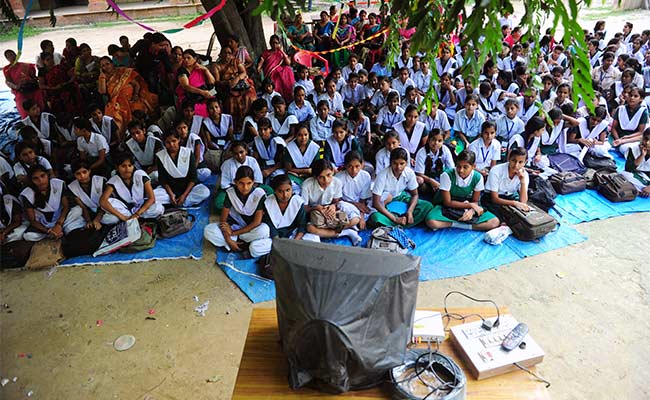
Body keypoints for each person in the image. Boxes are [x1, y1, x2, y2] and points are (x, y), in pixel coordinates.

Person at [425, 150, 500, 231]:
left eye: (465, 167)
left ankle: (455, 224)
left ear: (473, 167)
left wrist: (471, 211)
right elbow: (447, 202)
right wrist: (471, 206)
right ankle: (463, 225)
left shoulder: (478, 177)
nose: (461, 170)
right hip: (446, 206)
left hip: (466, 204)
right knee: (431, 221)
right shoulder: (447, 175)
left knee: (494, 222)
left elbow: (475, 201)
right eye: (458, 166)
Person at [204, 166, 270, 256]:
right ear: (235, 182)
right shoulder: (230, 193)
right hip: (235, 226)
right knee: (208, 231)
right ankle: (243, 245)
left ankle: (237, 243)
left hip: (251, 229)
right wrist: (228, 238)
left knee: (264, 230)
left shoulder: (259, 194)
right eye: (241, 183)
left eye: (249, 183)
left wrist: (233, 233)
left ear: (253, 182)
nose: (245, 187)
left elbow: (256, 222)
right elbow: (223, 220)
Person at [254, 174, 320, 262]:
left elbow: (302, 225)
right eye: (280, 191)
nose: (285, 195)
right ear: (275, 191)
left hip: (293, 235)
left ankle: (285, 250)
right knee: (254, 248)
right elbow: (270, 226)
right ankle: (287, 251)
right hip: (275, 238)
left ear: (292, 189)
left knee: (315, 239)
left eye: (288, 190)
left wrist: (294, 242)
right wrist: (279, 242)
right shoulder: (268, 202)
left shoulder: (297, 201)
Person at [301, 159, 362, 245]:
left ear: (333, 171)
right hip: (315, 214)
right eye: (321, 177)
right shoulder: (307, 185)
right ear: (315, 177)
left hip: (331, 211)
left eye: (328, 175)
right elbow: (304, 208)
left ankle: (325, 233)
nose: (326, 180)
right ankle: (347, 232)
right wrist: (316, 208)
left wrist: (333, 207)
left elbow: (336, 202)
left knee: (355, 220)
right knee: (310, 229)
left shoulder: (337, 182)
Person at [369, 148, 433, 228]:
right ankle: (401, 222)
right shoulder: (382, 175)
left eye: (402, 163)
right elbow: (376, 203)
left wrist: (410, 211)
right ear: (390, 162)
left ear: (406, 163)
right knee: (376, 217)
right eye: (395, 163)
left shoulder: (409, 173)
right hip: (385, 201)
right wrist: (395, 219)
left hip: (401, 197)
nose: (398, 167)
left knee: (427, 206)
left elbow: (415, 195)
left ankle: (399, 223)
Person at [98, 56, 159, 137]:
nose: (106, 67)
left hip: (132, 98)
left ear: (112, 64)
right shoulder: (103, 77)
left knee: (138, 108)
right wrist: (102, 76)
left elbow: (136, 84)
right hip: (117, 102)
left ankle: (143, 132)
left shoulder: (123, 71)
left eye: (107, 64)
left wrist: (136, 95)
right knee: (115, 114)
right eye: (103, 66)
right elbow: (102, 91)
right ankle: (124, 137)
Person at [20, 165, 84, 241]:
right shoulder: (27, 194)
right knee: (28, 236)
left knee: (77, 210)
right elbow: (32, 220)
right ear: (31, 180)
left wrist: (58, 225)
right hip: (42, 222)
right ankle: (58, 232)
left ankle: (60, 230)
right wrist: (48, 230)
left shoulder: (58, 184)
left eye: (42, 176)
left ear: (47, 175)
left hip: (60, 218)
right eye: (35, 178)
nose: (40, 180)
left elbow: (66, 207)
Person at [100, 153, 163, 225]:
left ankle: (134, 220)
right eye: (123, 166)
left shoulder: (140, 175)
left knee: (158, 208)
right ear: (117, 167)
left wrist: (137, 214)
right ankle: (132, 220)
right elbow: (103, 201)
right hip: (126, 211)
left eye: (130, 166)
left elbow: (152, 198)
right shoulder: (114, 180)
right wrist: (123, 217)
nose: (127, 169)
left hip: (142, 207)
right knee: (107, 218)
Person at [153, 131, 210, 207]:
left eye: (174, 141)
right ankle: (176, 200)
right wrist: (171, 195)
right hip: (171, 188)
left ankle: (181, 202)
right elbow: (163, 180)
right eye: (168, 142)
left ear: (179, 140)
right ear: (164, 143)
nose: (171, 145)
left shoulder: (187, 152)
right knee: (153, 195)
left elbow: (193, 178)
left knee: (205, 192)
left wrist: (184, 195)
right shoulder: (160, 156)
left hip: (187, 188)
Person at [212, 46, 256, 131]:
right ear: (220, 54)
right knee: (232, 101)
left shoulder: (236, 61)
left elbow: (243, 72)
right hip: (226, 88)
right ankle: (235, 126)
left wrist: (237, 79)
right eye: (224, 53)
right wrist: (228, 83)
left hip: (240, 86)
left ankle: (248, 122)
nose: (227, 55)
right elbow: (217, 82)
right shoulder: (217, 66)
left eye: (229, 53)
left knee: (249, 95)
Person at [482, 147, 530, 220]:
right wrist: (514, 203)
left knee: (523, 215)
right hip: (492, 198)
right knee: (500, 219)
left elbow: (523, 201)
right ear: (509, 159)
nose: (516, 165)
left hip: (509, 196)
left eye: (520, 162)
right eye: (514, 160)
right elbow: (494, 199)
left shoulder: (524, 174)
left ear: (525, 162)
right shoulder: (496, 170)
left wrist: (522, 181)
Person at [215, 141, 263, 211]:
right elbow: (225, 185)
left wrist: (248, 191)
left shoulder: (253, 161)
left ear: (246, 151)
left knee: (268, 191)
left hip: (250, 188)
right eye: (236, 154)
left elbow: (258, 180)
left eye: (241, 152)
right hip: (233, 189)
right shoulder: (227, 164)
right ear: (232, 154)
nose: (239, 156)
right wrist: (238, 193)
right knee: (219, 202)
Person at [38, 51, 82, 126]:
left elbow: (72, 76)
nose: (51, 61)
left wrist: (66, 83)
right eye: (48, 59)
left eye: (51, 59)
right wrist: (53, 88)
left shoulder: (60, 67)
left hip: (66, 90)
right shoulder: (42, 72)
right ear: (43, 61)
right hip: (53, 95)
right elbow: (41, 85)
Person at [336, 151, 372, 230]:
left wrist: (361, 215)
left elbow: (363, 200)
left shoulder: (365, 176)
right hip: (346, 204)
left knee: (373, 205)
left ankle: (353, 223)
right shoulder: (338, 178)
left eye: (357, 166)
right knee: (341, 205)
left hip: (360, 205)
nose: (354, 170)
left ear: (362, 165)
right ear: (345, 165)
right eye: (350, 166)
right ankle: (352, 224)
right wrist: (356, 204)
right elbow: (337, 199)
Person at [3, 49, 44, 118]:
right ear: (7, 59)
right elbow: (8, 82)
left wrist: (31, 80)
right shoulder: (7, 69)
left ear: (16, 55)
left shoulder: (27, 66)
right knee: (21, 101)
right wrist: (17, 86)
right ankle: (26, 118)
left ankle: (41, 113)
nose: (12, 56)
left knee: (38, 94)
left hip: (31, 86)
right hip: (20, 89)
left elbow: (34, 78)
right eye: (9, 56)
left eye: (13, 54)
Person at [176, 49, 216, 118]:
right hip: (189, 96)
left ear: (195, 59)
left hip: (204, 93)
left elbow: (212, 81)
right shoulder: (182, 71)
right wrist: (202, 92)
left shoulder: (199, 68)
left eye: (188, 58)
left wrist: (206, 70)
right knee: (198, 107)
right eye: (184, 58)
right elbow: (186, 86)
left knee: (215, 99)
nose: (186, 60)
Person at [68, 160, 107, 231]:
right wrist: (88, 221)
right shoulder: (72, 187)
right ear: (74, 175)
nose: (82, 176)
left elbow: (107, 201)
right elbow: (82, 207)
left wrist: (97, 219)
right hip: (88, 212)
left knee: (111, 219)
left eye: (84, 172)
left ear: (89, 171)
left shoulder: (100, 180)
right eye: (78, 173)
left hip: (104, 210)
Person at [415, 129, 455, 195]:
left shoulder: (445, 150)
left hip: (440, 176)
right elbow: (420, 173)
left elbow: (451, 169)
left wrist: (444, 181)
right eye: (433, 140)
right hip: (427, 177)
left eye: (439, 141)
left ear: (443, 141)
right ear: (428, 140)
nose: (436, 143)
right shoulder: (422, 152)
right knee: (420, 183)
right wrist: (431, 181)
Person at [611, 86, 648, 156]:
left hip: (634, 139)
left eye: (635, 96)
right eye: (631, 95)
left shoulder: (643, 112)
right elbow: (613, 128)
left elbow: (640, 132)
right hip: (619, 137)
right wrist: (618, 139)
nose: (632, 98)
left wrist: (626, 139)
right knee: (627, 150)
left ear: (641, 99)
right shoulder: (621, 109)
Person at [284, 124, 321, 192]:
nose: (303, 138)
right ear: (295, 135)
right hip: (294, 176)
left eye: (305, 134)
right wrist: (305, 171)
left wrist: (305, 173)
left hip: (311, 175)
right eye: (300, 135)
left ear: (309, 134)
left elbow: (317, 168)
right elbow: (288, 168)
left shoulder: (314, 147)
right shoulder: (290, 147)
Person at [257, 35, 295, 101]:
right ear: (270, 43)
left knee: (287, 69)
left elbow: (289, 63)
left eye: (276, 43)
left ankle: (287, 97)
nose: (274, 45)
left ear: (279, 44)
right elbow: (261, 61)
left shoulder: (280, 52)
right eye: (273, 43)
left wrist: (281, 51)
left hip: (279, 72)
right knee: (277, 78)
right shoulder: (266, 52)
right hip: (270, 73)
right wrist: (259, 67)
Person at [201, 98, 234, 172]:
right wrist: (219, 149)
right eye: (211, 108)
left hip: (227, 144)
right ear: (208, 110)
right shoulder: (205, 122)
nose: (214, 110)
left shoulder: (228, 118)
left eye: (216, 107)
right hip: (214, 147)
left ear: (220, 108)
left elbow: (231, 137)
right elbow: (209, 142)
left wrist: (226, 148)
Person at [252, 117, 286, 181]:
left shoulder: (278, 141)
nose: (262, 132)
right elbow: (255, 159)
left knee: (278, 177)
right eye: (260, 129)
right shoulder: (257, 140)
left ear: (270, 129)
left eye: (265, 129)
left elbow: (282, 161)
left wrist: (270, 170)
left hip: (276, 167)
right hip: (263, 167)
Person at [621, 128, 650, 197]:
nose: (647, 143)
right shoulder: (633, 149)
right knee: (624, 175)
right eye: (646, 139)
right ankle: (643, 191)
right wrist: (642, 155)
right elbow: (628, 169)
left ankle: (642, 190)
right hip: (637, 176)